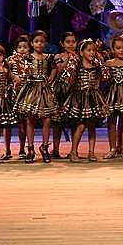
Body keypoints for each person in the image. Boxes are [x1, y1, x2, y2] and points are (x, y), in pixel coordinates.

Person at [12, 30, 60, 163]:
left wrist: (51, 78)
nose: (39, 44)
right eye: (37, 41)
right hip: (31, 89)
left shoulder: (48, 57)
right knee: (30, 119)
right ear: (32, 43)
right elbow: (20, 70)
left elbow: (54, 68)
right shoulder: (27, 58)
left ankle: (44, 147)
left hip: (44, 89)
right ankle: (30, 149)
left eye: (42, 42)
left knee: (47, 119)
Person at [64, 40, 108, 162]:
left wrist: (101, 61)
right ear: (81, 52)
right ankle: (73, 152)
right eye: (89, 50)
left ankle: (91, 152)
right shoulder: (77, 65)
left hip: (93, 98)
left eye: (94, 50)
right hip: (80, 98)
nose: (92, 53)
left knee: (92, 126)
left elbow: (104, 77)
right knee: (81, 126)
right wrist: (71, 64)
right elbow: (69, 80)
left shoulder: (96, 66)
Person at [49, 32, 79, 160]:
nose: (71, 44)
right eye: (68, 42)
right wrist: (68, 58)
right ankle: (55, 149)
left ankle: (74, 150)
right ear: (62, 43)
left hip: (74, 91)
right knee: (57, 122)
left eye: (73, 42)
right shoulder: (58, 56)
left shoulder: (79, 57)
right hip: (60, 90)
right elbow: (59, 70)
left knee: (74, 121)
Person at [3, 35, 30, 160]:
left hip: (25, 94)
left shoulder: (31, 60)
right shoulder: (10, 60)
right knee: (7, 124)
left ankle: (22, 149)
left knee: (22, 124)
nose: (22, 49)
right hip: (11, 94)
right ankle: (7, 150)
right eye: (20, 47)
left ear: (29, 48)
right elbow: (4, 73)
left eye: (25, 47)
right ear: (16, 48)